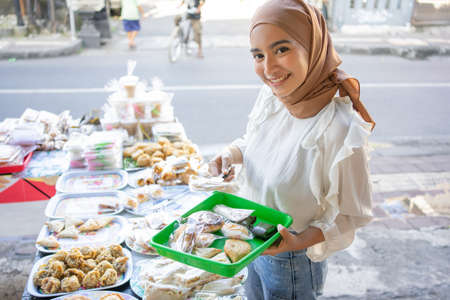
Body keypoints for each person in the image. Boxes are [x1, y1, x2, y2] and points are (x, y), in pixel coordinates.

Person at [208, 0, 375, 299]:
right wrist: (231, 154)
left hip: (291, 258)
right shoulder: (274, 96)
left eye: (282, 49)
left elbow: (352, 215)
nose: (269, 68)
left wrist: (296, 243)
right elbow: (257, 141)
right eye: (259, 55)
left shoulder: (340, 129)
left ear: (314, 48)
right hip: (249, 237)